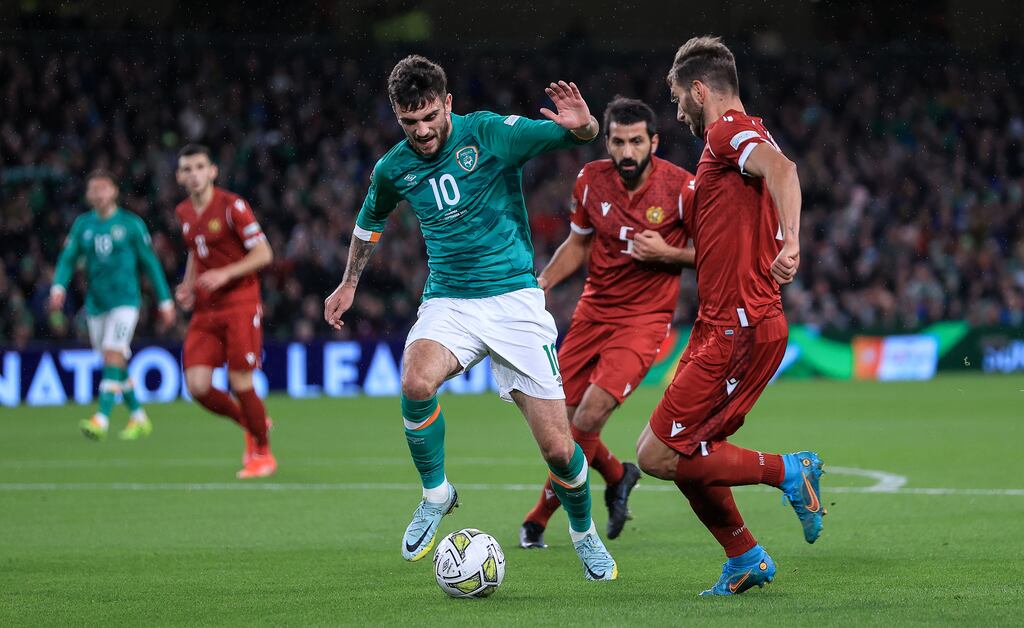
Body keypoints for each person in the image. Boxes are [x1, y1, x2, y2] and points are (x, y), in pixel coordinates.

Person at [324, 55, 617, 580]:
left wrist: (587, 126)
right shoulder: (394, 167)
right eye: (410, 122)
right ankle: (437, 494)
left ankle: (584, 532)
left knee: (557, 447)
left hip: (514, 301)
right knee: (415, 381)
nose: (422, 130)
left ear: (448, 104)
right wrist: (349, 283)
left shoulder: (488, 133)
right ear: (397, 116)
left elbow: (575, 137)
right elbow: (369, 223)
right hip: (450, 301)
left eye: (430, 117)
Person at [634, 36, 824, 596]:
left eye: (677, 98)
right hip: (722, 326)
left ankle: (791, 470)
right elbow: (722, 243)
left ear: (700, 90)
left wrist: (792, 244)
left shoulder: (727, 131)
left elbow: (784, 171)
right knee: (685, 451)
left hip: (739, 329)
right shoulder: (722, 151)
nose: (676, 111)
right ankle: (744, 557)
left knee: (659, 453)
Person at [519, 97, 696, 549]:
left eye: (637, 141)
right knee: (558, 422)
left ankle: (539, 519)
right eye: (618, 141)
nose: (627, 152)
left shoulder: (682, 188)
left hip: (644, 320)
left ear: (653, 142)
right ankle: (618, 476)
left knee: (591, 414)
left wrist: (669, 254)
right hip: (592, 312)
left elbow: (715, 252)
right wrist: (542, 284)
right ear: (609, 142)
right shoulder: (590, 180)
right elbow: (578, 246)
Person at [174, 144, 276, 479]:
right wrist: (189, 284)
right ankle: (251, 422)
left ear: (212, 171)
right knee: (197, 385)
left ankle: (262, 451)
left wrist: (225, 274)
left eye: (199, 167)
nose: (194, 174)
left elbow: (263, 253)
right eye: (187, 169)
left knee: (240, 380)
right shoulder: (184, 213)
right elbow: (195, 251)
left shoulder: (233, 206)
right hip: (206, 308)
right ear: (179, 176)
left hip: (240, 302)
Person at [50, 170, 176, 441]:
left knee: (112, 352)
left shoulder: (131, 225)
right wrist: (59, 287)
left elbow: (150, 263)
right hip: (96, 304)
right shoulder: (83, 226)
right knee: (115, 361)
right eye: (93, 189)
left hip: (126, 302)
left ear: (114, 191)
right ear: (87, 195)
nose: (98, 193)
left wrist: (165, 300)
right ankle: (139, 417)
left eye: (103, 188)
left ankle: (101, 418)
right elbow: (68, 258)